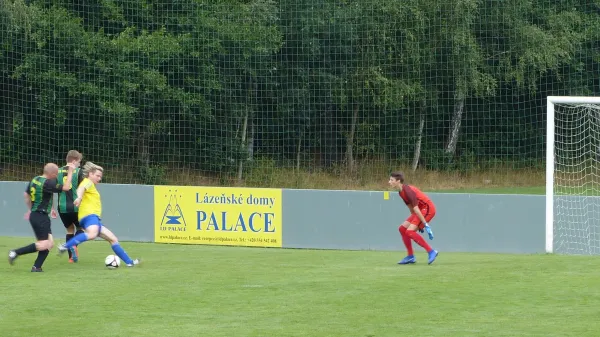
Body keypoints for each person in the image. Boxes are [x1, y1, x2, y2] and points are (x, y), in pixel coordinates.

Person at [57, 162, 140, 267]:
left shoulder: (91, 185)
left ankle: (129, 262)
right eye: (97, 175)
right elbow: (80, 189)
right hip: (89, 216)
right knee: (92, 235)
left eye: (100, 176)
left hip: (93, 218)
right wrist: (79, 197)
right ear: (90, 174)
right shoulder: (87, 182)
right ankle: (65, 246)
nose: (99, 178)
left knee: (113, 239)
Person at [8, 162, 76, 272]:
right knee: (44, 244)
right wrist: (70, 172)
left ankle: (37, 267)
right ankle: (15, 252)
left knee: (50, 243)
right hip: (41, 216)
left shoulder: (35, 179)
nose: (56, 176)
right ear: (53, 174)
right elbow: (67, 187)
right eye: (56, 174)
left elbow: (26, 195)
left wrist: (31, 209)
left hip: (36, 215)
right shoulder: (48, 183)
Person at [388, 171, 438, 265]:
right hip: (420, 210)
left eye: (391, 180)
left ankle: (431, 251)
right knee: (402, 229)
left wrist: (424, 224)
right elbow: (411, 208)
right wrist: (416, 223)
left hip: (428, 209)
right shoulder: (401, 192)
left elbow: (416, 208)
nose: (389, 182)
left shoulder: (407, 191)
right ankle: (411, 256)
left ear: (398, 181)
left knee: (410, 231)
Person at [57, 150, 85, 263]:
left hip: (62, 207)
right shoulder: (79, 172)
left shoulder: (57, 171)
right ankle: (73, 244)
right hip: (76, 206)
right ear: (73, 161)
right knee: (83, 228)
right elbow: (83, 188)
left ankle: (71, 258)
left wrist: (53, 208)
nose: (79, 164)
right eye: (79, 161)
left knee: (69, 230)